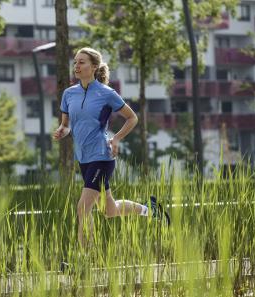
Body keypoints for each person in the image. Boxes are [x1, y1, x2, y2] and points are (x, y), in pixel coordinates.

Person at [53, 47, 170, 248]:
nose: (76, 66)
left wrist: (116, 138)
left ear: (94, 67)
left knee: (83, 208)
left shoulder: (106, 93)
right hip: (83, 158)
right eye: (75, 62)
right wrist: (61, 131)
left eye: (82, 62)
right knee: (109, 211)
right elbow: (66, 125)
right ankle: (150, 210)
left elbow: (132, 118)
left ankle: (84, 259)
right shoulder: (69, 94)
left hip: (102, 156)